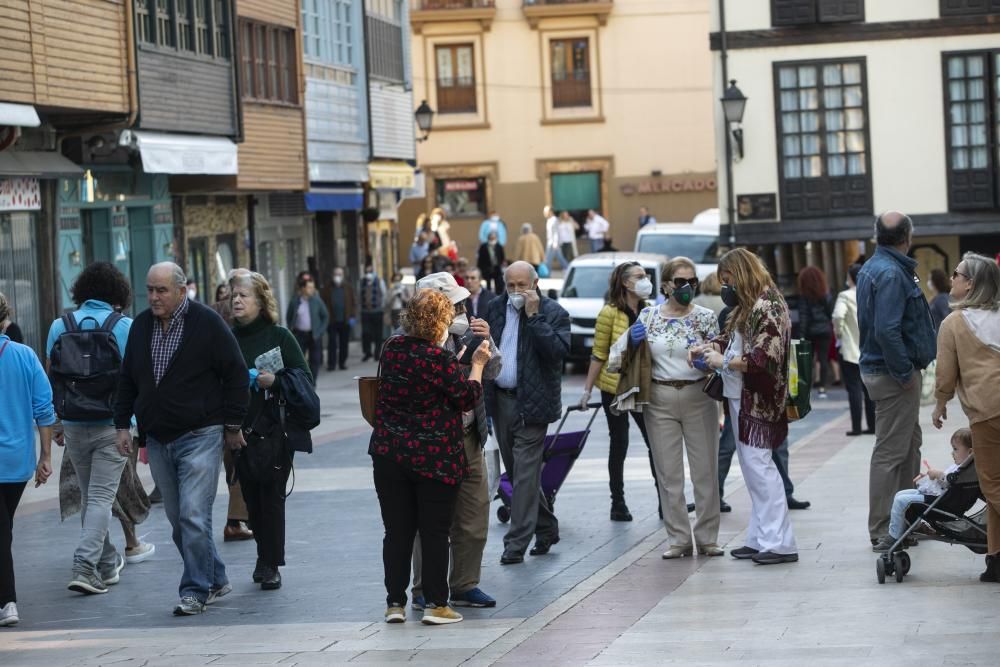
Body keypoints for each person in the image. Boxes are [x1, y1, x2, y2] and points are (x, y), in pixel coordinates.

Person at [113, 262, 249, 616]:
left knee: (192, 514)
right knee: (178, 520)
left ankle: (195, 589)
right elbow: (127, 377)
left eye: (161, 291)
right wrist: (121, 425)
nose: (154, 297)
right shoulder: (142, 325)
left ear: (181, 290)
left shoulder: (206, 323)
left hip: (200, 433)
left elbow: (235, 373)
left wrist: (233, 425)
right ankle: (216, 576)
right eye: (150, 290)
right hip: (158, 437)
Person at [371, 289, 492, 625]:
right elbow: (466, 396)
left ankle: (395, 604)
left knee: (396, 532)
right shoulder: (439, 360)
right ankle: (437, 605)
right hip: (434, 458)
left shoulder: (392, 349)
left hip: (389, 455)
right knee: (435, 531)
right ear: (441, 323)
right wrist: (477, 365)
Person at [690, 248, 798, 565]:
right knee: (753, 470)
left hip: (760, 400)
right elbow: (731, 339)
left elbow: (766, 359)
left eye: (728, 280)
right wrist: (710, 348)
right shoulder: (749, 305)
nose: (726, 287)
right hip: (741, 396)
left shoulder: (769, 306)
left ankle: (779, 542)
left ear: (741, 274)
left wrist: (723, 360)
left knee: (761, 468)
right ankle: (760, 537)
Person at [408, 272, 502, 612]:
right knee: (429, 520)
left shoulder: (470, 333)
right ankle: (421, 588)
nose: (460, 309)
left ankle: (465, 583)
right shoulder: (408, 341)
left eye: (461, 303)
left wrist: (487, 343)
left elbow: (495, 373)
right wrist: (456, 354)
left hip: (468, 435)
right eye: (452, 304)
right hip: (430, 441)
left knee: (475, 513)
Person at [45, 262, 135, 595]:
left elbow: (51, 377)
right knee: (99, 497)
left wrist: (54, 421)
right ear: (117, 293)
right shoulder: (124, 326)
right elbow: (137, 377)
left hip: (72, 424)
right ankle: (85, 564)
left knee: (90, 497)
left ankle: (107, 562)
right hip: (113, 426)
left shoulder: (59, 326)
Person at [631, 258, 722, 557]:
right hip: (660, 397)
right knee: (669, 474)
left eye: (692, 281)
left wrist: (706, 356)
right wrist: (631, 343)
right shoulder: (648, 316)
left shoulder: (707, 317)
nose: (687, 287)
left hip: (699, 395)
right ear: (667, 284)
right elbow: (628, 356)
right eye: (681, 282)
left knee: (705, 470)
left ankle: (708, 537)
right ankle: (678, 539)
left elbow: (717, 352)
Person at [857, 212, 936, 548]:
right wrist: (904, 372)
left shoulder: (876, 268)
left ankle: (906, 520)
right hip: (891, 374)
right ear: (908, 235)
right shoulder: (890, 273)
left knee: (909, 446)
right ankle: (882, 530)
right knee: (891, 452)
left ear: (877, 235)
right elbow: (887, 330)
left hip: (885, 371)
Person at [483, 261, 571, 564]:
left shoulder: (554, 312)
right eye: (511, 286)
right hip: (501, 402)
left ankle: (515, 544)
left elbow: (557, 353)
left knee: (522, 476)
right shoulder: (494, 309)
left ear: (536, 283)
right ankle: (547, 527)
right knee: (523, 475)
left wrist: (534, 317)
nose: (517, 292)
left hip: (534, 404)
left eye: (523, 285)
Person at [230, 269, 311, 590]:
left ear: (261, 301)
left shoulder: (279, 336)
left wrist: (274, 381)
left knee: (272, 497)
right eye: (234, 295)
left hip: (275, 429)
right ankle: (264, 554)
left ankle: (270, 563)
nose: (236, 300)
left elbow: (303, 378)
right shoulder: (227, 337)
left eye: (243, 295)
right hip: (240, 430)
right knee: (251, 497)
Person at [931, 252, 1000, 581]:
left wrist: (940, 403)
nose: (952, 278)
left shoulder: (954, 323)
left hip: (988, 411)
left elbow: (945, 374)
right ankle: (995, 558)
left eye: (957, 274)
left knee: (992, 484)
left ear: (970, 283)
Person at [579, 262, 657, 522]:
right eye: (640, 276)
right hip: (615, 388)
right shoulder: (609, 313)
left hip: (643, 386)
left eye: (645, 276)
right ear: (625, 283)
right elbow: (599, 354)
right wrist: (587, 391)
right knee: (619, 442)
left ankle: (666, 501)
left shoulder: (650, 310)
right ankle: (618, 503)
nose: (645, 280)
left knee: (654, 443)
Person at [0, 291, 56, 627]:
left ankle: (7, 601)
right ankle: (6, 600)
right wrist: (46, 455)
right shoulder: (24, 355)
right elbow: (44, 409)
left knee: (2, 530)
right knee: (3, 527)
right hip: (18, 460)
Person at [881, 428, 973, 552]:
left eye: (956, 449)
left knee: (902, 500)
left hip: (944, 504)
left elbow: (950, 480)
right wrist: (931, 477)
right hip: (941, 499)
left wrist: (937, 474)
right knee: (900, 494)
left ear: (970, 452)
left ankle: (894, 537)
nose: (952, 453)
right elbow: (948, 481)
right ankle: (904, 530)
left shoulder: (966, 470)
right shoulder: (963, 467)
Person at [833, 263, 875, 437]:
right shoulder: (871, 294)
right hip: (870, 349)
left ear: (850, 278)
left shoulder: (845, 295)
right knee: (870, 390)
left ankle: (857, 427)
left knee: (854, 389)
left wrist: (839, 332)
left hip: (850, 349)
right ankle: (873, 426)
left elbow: (837, 316)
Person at [797, 266, 834, 398]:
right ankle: (822, 388)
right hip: (824, 330)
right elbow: (831, 313)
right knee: (823, 359)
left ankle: (806, 386)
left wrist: (801, 334)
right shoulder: (826, 293)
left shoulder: (804, 296)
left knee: (807, 359)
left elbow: (804, 317)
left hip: (810, 332)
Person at [285, 272, 328, 385]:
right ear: (303, 288)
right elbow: (289, 317)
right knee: (299, 360)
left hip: (314, 335)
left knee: (315, 360)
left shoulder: (316, 300)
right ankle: (302, 381)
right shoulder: (295, 301)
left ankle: (312, 383)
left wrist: (319, 332)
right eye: (309, 287)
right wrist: (291, 330)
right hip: (299, 335)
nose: (312, 290)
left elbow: (325, 316)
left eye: (313, 287)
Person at [321, 267, 356, 371]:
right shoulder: (327, 288)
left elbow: (353, 302)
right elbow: (322, 303)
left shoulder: (348, 287)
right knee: (332, 343)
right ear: (332, 276)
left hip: (345, 320)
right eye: (336, 274)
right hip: (332, 320)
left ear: (343, 275)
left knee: (344, 343)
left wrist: (352, 316)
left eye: (340, 274)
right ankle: (331, 364)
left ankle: (342, 362)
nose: (338, 277)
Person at [360, 263, 387, 362]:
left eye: (370, 272)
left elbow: (384, 294)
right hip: (365, 312)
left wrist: (382, 307)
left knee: (378, 334)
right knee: (366, 333)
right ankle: (367, 352)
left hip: (377, 312)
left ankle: (377, 353)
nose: (368, 274)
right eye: (366, 272)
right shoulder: (362, 282)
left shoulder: (379, 281)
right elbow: (359, 295)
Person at [543, 206, 569, 271]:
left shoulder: (554, 220)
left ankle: (547, 273)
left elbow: (556, 232)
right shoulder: (549, 220)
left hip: (553, 243)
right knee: (560, 257)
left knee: (548, 259)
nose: (544, 213)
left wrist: (555, 243)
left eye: (546, 212)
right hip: (550, 242)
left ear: (550, 212)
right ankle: (568, 268)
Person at [928, 268, 952, 334]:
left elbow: (948, 319)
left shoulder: (942, 298)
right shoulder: (936, 298)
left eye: (930, 279)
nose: (928, 282)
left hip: (941, 338)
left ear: (935, 281)